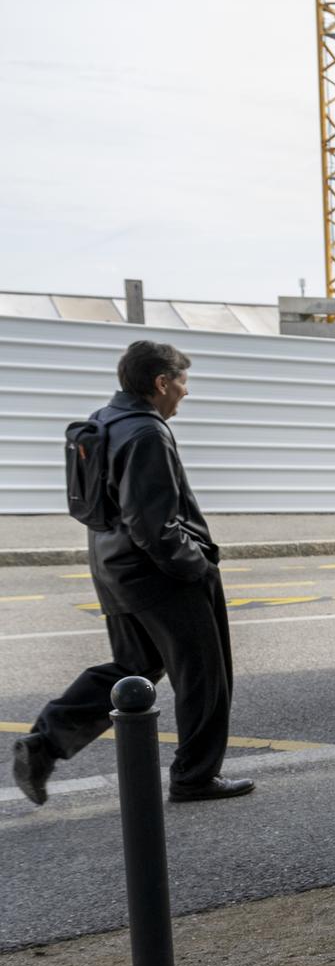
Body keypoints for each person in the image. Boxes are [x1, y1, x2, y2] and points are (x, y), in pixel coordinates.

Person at [12, 342, 252, 805]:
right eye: (182, 381)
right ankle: (195, 777)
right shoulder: (146, 433)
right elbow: (152, 524)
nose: (185, 391)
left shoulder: (105, 419)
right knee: (203, 677)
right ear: (161, 383)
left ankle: (44, 744)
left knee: (133, 669)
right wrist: (196, 566)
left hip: (113, 568)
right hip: (159, 575)